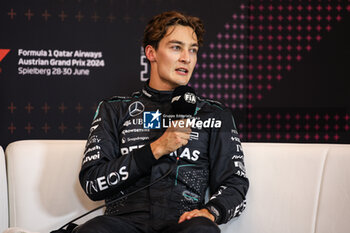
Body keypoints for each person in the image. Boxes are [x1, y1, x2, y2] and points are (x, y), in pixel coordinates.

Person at [74, 11, 249, 233]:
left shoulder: (214, 114)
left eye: (192, 50)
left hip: (183, 224)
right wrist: (156, 148)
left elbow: (235, 182)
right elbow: (92, 183)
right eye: (176, 47)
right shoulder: (114, 109)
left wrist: (210, 212)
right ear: (151, 53)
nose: (186, 57)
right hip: (124, 224)